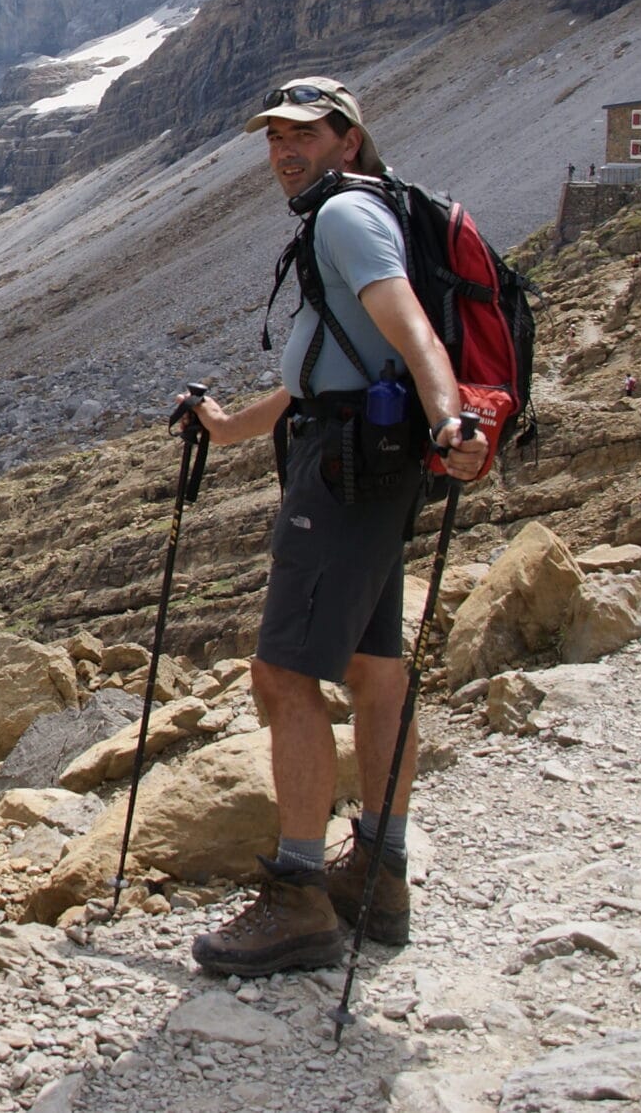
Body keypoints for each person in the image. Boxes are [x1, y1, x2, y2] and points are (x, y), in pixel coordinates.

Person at [174, 76, 487, 976]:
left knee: (282, 675)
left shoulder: (344, 219)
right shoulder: (361, 210)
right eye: (274, 137)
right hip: (374, 457)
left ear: (349, 140)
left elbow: (413, 331)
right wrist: (236, 427)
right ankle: (379, 874)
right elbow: (343, 360)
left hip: (348, 471)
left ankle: (300, 895)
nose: (285, 151)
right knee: (376, 669)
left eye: (304, 135)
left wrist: (447, 417)